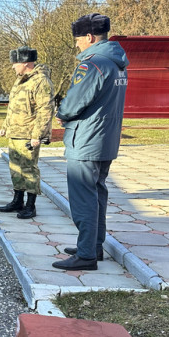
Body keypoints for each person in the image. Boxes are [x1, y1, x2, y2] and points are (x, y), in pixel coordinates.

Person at [52, 13, 128, 271]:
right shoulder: (117, 63)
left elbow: (74, 102)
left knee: (83, 197)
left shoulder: (92, 64)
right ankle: (94, 245)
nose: (76, 45)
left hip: (86, 139)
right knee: (98, 194)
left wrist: (61, 114)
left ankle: (86, 255)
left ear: (89, 37)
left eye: (78, 40)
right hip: (106, 140)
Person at [0, 47, 54, 219]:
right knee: (15, 169)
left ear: (26, 63)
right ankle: (17, 200)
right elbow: (13, 107)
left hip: (29, 135)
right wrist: (5, 125)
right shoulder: (20, 81)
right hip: (15, 133)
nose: (13, 66)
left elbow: (45, 111)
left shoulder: (40, 81)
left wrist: (37, 135)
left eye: (15, 63)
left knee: (28, 169)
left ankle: (30, 205)